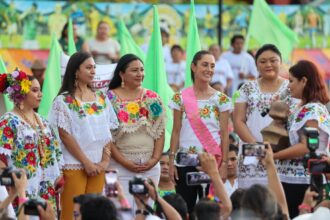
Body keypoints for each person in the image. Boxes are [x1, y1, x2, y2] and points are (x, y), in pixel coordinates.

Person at [49, 51, 118, 220]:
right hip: (74, 165)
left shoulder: (101, 97)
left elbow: (108, 131)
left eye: (94, 67)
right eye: (88, 67)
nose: (93, 71)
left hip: (99, 165)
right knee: (71, 214)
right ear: (75, 71)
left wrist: (104, 160)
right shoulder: (63, 101)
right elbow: (65, 135)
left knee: (95, 215)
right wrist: (86, 162)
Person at [169, 50, 232, 213]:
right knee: (186, 209)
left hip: (212, 163)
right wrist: (171, 161)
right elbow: (176, 131)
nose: (209, 69)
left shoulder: (221, 99)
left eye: (212, 66)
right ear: (193, 67)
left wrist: (224, 163)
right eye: (205, 65)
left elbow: (225, 134)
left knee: (211, 210)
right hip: (185, 163)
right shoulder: (180, 98)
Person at [107, 54, 166, 213]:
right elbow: (107, 137)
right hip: (118, 166)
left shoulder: (152, 98)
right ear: (121, 74)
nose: (140, 74)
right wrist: (124, 162)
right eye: (134, 70)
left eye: (141, 70)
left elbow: (160, 131)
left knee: (145, 211)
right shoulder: (109, 98)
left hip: (150, 167)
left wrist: (154, 159)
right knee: (120, 211)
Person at [0, 70, 63, 212]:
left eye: (40, 90)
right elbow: (1, 159)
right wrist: (9, 188)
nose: (40, 94)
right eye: (35, 90)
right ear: (21, 94)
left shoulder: (44, 122)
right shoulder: (8, 121)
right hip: (21, 189)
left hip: (47, 189)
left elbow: (56, 153)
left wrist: (60, 179)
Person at [274, 60, 330, 218]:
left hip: (307, 179)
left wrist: (273, 157)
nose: (288, 86)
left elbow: (307, 146)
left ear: (304, 81)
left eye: (291, 81)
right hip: (288, 178)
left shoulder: (314, 109)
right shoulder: (297, 107)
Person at [233, 44, 293, 188]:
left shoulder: (291, 87)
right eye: (263, 61)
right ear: (256, 65)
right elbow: (238, 121)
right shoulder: (247, 88)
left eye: (273, 60)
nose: (268, 65)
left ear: (281, 62)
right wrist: (257, 147)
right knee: (252, 203)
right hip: (253, 156)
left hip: (283, 156)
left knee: (280, 204)